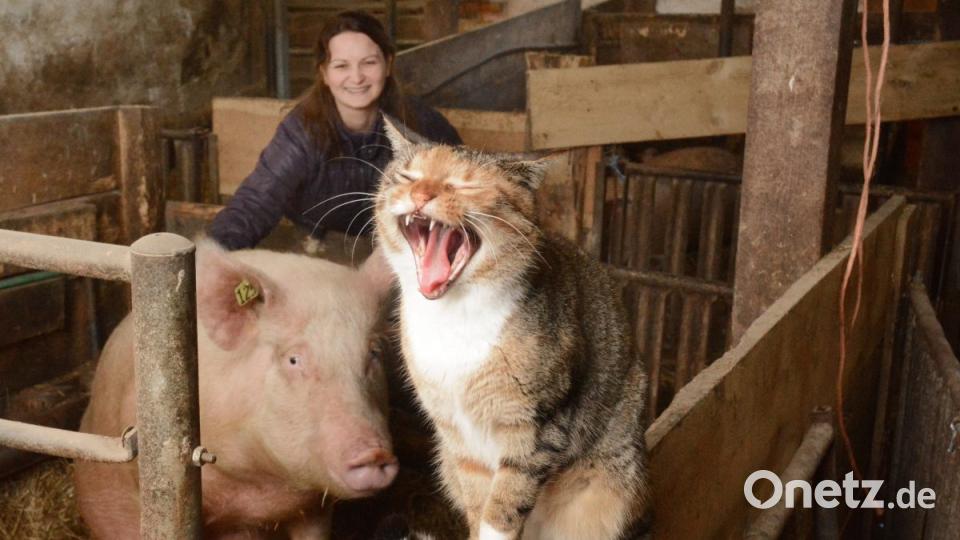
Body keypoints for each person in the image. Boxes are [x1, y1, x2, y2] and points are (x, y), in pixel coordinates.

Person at [208, 10, 462, 250]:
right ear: (324, 73)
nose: (357, 77)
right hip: (314, 247)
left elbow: (462, 186)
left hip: (397, 252)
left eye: (369, 63)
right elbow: (255, 203)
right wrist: (208, 259)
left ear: (388, 64)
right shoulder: (302, 132)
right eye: (341, 66)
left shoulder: (420, 123)